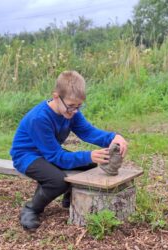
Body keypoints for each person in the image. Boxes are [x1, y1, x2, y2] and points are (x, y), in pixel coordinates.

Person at [10, 70, 128, 230]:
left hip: (49, 152)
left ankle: (68, 199)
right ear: (56, 96)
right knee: (57, 181)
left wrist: (113, 137)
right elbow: (55, 157)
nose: (74, 111)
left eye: (79, 106)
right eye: (71, 106)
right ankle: (31, 209)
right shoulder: (39, 118)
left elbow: (88, 132)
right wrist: (89, 155)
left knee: (90, 165)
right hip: (27, 156)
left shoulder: (72, 113)